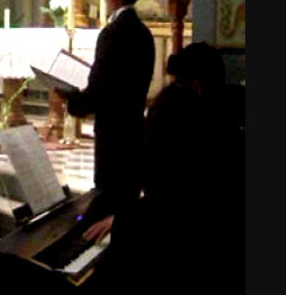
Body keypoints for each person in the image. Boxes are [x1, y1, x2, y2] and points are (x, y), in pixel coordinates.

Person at [82, 42, 242, 293]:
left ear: (197, 87)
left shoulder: (179, 121)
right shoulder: (229, 133)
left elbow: (172, 204)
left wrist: (128, 220)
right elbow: (173, 196)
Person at [57, 0, 155, 239]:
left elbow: (97, 95)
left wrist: (69, 98)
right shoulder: (145, 36)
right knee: (126, 219)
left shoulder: (112, 34)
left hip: (113, 145)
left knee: (105, 223)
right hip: (135, 137)